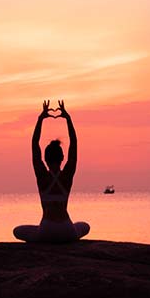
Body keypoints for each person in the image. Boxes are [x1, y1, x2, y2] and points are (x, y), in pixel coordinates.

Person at [13, 99, 91, 243]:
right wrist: (68, 118)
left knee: (17, 230)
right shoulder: (67, 175)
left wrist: (40, 119)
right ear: (62, 157)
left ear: (45, 158)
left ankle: (43, 232)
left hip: (46, 231)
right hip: (67, 231)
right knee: (85, 226)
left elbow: (34, 144)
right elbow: (74, 144)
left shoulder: (42, 175)